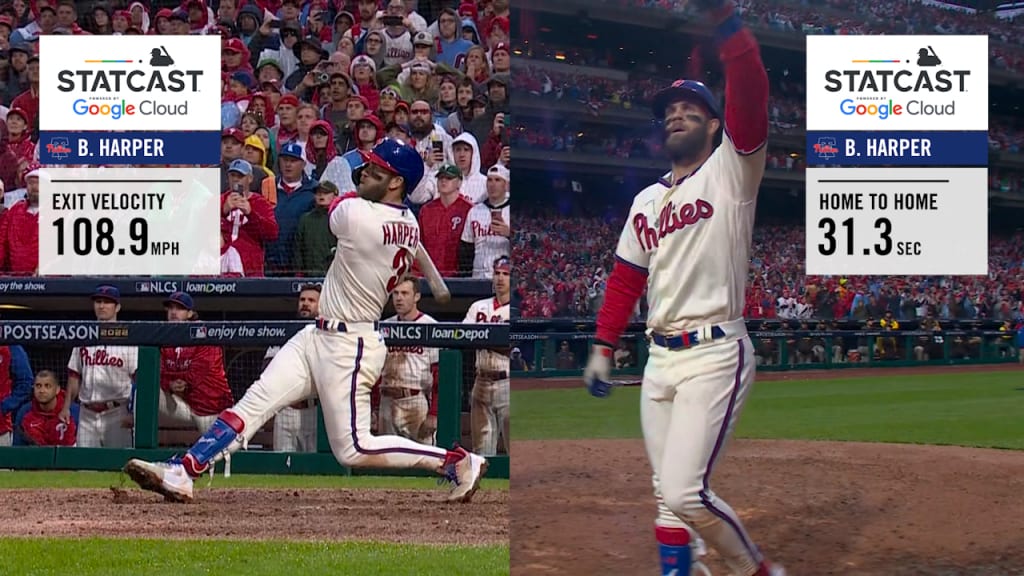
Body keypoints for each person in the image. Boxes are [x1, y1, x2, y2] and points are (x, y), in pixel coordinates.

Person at [124, 139, 487, 503]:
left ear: (396, 183)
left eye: (376, 171)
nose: (363, 174)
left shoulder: (358, 216)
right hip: (317, 334)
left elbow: (343, 203)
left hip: (351, 345)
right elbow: (373, 201)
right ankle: (185, 470)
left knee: (354, 449)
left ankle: (455, 462)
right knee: (253, 405)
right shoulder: (407, 222)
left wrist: (365, 195)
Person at [582, 2, 785, 575]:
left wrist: (724, 20)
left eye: (690, 108)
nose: (676, 115)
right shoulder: (646, 200)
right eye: (669, 109)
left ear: (715, 122)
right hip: (659, 359)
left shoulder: (732, 170)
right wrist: (602, 347)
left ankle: (755, 571)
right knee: (662, 489)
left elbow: (751, 86)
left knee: (685, 492)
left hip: (716, 351)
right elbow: (626, 279)